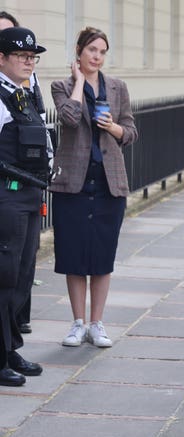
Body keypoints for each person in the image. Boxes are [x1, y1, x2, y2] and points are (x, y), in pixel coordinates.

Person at [50, 27, 138, 349]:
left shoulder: (117, 88)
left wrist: (113, 127)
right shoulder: (61, 86)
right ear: (79, 51)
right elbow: (69, 119)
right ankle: (77, 323)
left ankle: (97, 324)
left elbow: (130, 132)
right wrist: (77, 85)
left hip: (108, 182)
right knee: (73, 255)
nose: (97, 56)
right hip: (72, 181)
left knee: (102, 256)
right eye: (92, 50)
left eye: (102, 51)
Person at [0, 26, 49, 386]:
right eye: (21, 56)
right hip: (8, 195)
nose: (29, 62)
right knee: (4, 277)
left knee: (21, 277)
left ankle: (9, 347)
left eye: (32, 56)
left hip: (30, 195)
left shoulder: (23, 93)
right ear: (1, 59)